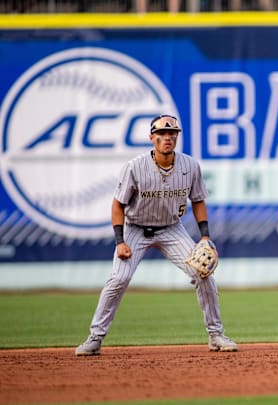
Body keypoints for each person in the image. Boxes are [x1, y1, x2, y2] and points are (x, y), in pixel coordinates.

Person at [75, 114, 238, 355]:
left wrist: (205, 236)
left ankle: (216, 335)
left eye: (172, 133)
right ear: (152, 137)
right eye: (162, 133)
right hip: (135, 229)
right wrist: (120, 241)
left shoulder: (190, 166)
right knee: (119, 279)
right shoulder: (135, 167)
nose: (167, 138)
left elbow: (198, 200)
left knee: (203, 274)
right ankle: (94, 338)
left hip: (171, 228)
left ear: (177, 137)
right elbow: (118, 205)